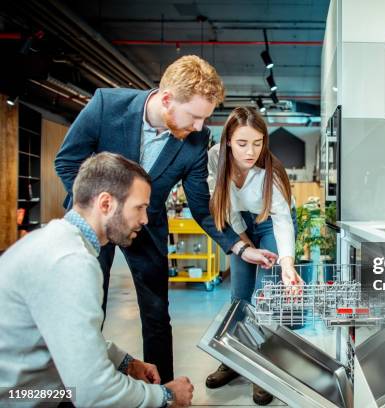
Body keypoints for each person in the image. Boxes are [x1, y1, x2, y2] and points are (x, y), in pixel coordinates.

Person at [54, 55, 276, 383]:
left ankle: (165, 393)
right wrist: (99, 211)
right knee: (87, 305)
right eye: (195, 117)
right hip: (95, 223)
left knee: (157, 313)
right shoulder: (106, 106)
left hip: (148, 225)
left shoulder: (195, 140)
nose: (200, 128)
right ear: (168, 99)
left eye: (205, 118)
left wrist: (241, 248)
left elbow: (202, 207)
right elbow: (67, 161)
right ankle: (78, 385)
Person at [0, 152, 193, 407]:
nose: (145, 220)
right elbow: (94, 392)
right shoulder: (72, 262)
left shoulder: (56, 239)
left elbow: (73, 332)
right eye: (140, 207)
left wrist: (125, 362)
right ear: (106, 204)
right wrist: (166, 396)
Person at [205, 107, 303, 405]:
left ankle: (264, 368)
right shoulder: (214, 158)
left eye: (258, 143)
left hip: (271, 222)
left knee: (266, 296)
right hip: (240, 223)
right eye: (243, 143)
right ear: (228, 142)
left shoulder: (269, 171)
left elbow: (283, 219)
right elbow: (223, 207)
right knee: (240, 296)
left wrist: (287, 264)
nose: (251, 151)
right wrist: (244, 245)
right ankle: (234, 363)